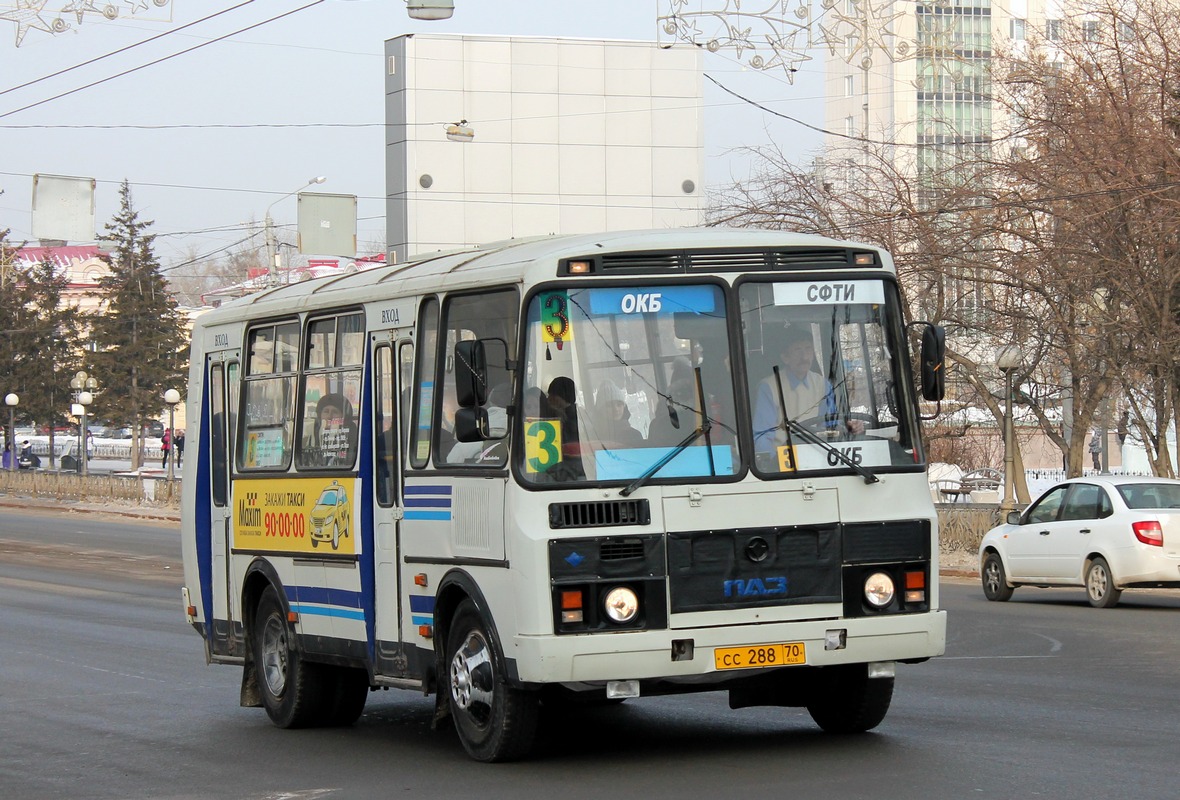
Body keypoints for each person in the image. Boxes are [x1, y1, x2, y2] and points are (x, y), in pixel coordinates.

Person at [753, 325, 862, 454]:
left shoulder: (823, 385)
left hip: (817, 455)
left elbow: (830, 426)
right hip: (782, 463)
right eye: (798, 350)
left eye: (808, 349)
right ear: (785, 357)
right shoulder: (769, 387)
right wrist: (773, 463)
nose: (804, 357)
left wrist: (848, 428)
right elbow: (761, 437)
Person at [590, 380, 644, 448]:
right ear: (600, 409)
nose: (616, 409)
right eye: (609, 405)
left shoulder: (634, 435)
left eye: (619, 404)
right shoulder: (591, 436)